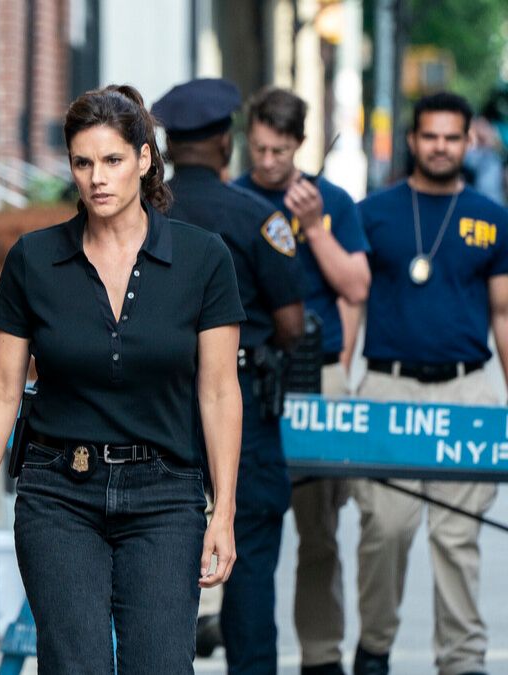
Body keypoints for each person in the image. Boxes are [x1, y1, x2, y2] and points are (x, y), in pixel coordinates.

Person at [0, 85, 243, 674]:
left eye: (113, 160)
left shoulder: (202, 258)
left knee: (162, 666)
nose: (97, 178)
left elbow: (218, 392)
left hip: (166, 492)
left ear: (145, 159)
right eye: (82, 163)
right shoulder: (35, 258)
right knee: (73, 665)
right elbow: (2, 388)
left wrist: (224, 512)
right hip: (59, 492)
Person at [153, 78, 305, 675]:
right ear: (225, 143)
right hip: (241, 407)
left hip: (153, 408)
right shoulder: (258, 218)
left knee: (150, 570)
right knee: (250, 570)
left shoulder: (141, 216)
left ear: (167, 146)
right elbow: (291, 325)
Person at [353, 91, 508, 675]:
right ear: (413, 140)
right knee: (385, 529)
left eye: (451, 137)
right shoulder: (373, 213)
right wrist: (339, 383)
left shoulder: (492, 218)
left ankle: (462, 660)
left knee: (457, 535)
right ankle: (374, 647)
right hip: (389, 390)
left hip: (467, 392)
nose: (440, 147)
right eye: (430, 136)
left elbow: (504, 314)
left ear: (468, 141)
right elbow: (351, 298)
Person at [235, 86, 371, 675]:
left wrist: (315, 227)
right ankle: (228, 630)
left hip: (317, 378)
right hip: (250, 374)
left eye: (280, 151)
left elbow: (357, 287)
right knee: (239, 517)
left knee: (319, 528)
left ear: (301, 145)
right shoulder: (234, 199)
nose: (268, 162)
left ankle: (320, 656)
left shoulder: (331, 201)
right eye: (260, 148)